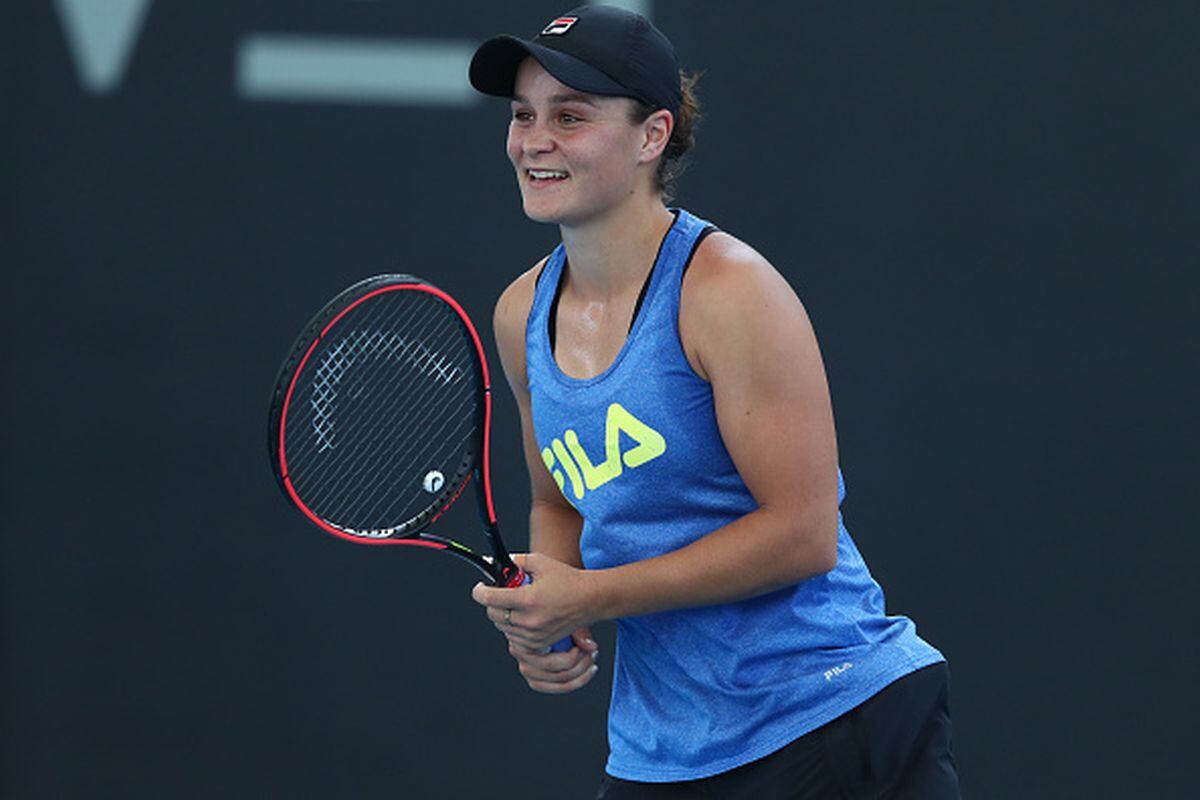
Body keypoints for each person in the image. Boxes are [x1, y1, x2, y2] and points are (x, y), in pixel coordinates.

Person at [467, 6, 961, 798]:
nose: (534, 141)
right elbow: (559, 499)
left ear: (652, 135)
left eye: (571, 116)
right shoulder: (520, 313)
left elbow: (802, 536)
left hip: (834, 714)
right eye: (524, 116)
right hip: (666, 746)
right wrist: (552, 612)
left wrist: (594, 593)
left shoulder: (729, 292)